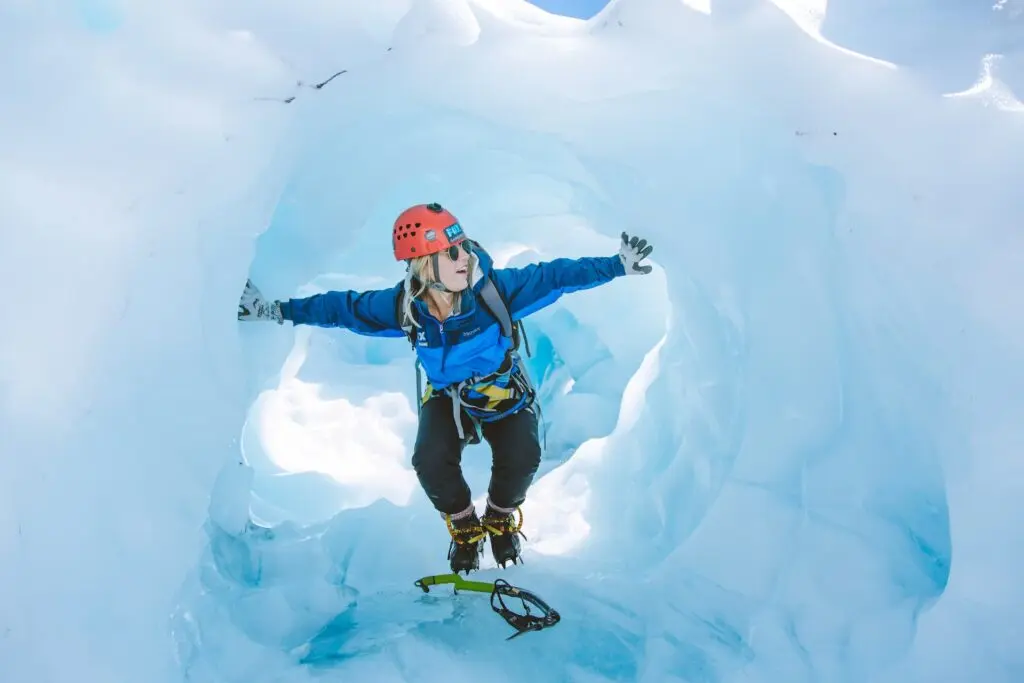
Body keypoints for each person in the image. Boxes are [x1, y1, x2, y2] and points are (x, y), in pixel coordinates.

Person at [238, 202, 654, 574]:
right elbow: (342, 308)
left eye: (465, 248)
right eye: (451, 252)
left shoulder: (495, 291)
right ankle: (466, 530)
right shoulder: (406, 307)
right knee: (430, 461)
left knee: (522, 457)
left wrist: (617, 265)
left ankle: (499, 520)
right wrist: (275, 311)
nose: (464, 258)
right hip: (449, 399)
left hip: (503, 391)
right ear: (423, 266)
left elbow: (556, 276)